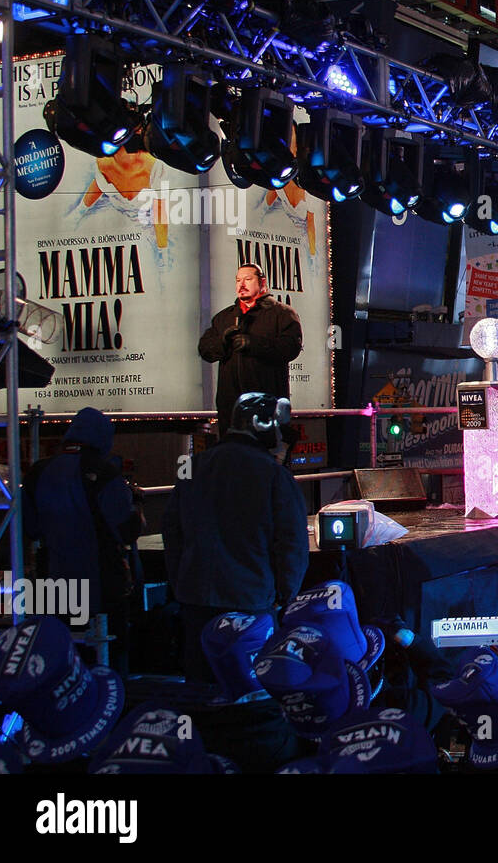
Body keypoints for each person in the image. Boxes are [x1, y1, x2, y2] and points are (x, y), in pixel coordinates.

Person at [163, 393, 309, 683]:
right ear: (260, 423)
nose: (281, 435)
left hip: (195, 601)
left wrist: (181, 583)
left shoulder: (192, 467)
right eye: (278, 426)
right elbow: (292, 543)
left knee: (202, 689)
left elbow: (172, 531)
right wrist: (285, 593)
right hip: (251, 602)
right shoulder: (273, 475)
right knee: (250, 692)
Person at [21, 407, 143, 673]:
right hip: (101, 585)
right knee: (105, 654)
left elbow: (30, 528)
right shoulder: (106, 474)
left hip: (51, 584)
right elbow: (126, 529)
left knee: (60, 656)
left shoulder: (38, 472)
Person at [198, 263, 302, 436]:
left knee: (264, 456)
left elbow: (290, 348)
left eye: (248, 279)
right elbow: (204, 350)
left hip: (266, 406)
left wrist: (253, 344)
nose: (242, 284)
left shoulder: (282, 314)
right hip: (230, 409)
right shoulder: (225, 317)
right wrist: (223, 342)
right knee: (232, 457)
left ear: (262, 282)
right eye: (238, 280)